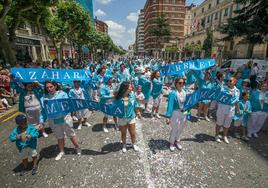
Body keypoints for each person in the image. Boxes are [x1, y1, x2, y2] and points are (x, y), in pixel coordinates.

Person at [42, 81, 81, 160]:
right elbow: (44, 110)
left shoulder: (62, 94)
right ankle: (62, 151)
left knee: (70, 134)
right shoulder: (45, 97)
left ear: (55, 86)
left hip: (64, 118)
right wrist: (44, 102)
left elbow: (68, 104)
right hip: (53, 120)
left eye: (51, 87)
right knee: (59, 136)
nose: (49, 89)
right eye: (47, 88)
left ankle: (77, 147)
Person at [114, 81, 139, 153]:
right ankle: (124, 145)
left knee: (133, 133)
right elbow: (114, 107)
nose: (132, 88)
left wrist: (138, 112)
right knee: (123, 133)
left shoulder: (132, 95)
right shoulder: (118, 98)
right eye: (130, 87)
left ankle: (133, 144)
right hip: (122, 118)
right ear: (125, 89)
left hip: (131, 117)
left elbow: (135, 104)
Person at [215, 77, 240, 144]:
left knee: (227, 124)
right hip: (222, 107)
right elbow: (218, 96)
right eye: (228, 80)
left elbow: (236, 101)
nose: (229, 82)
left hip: (231, 109)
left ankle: (224, 136)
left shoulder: (237, 91)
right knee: (219, 123)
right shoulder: (223, 88)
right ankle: (216, 135)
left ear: (235, 82)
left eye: (230, 81)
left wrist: (238, 110)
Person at [165, 78, 187, 152]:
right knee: (175, 128)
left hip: (183, 113)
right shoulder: (173, 93)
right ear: (176, 83)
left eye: (183, 83)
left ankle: (177, 140)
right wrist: (168, 116)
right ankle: (171, 142)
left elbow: (187, 102)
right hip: (175, 112)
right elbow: (170, 105)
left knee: (181, 128)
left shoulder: (185, 92)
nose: (182, 84)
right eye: (180, 83)